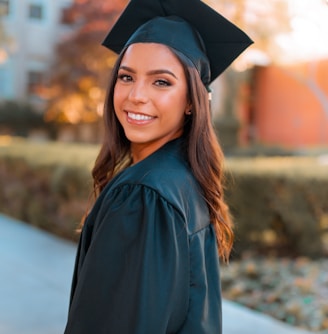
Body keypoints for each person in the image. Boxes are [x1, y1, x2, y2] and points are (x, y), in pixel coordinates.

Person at [64, 0, 252, 333]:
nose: (136, 95)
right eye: (126, 77)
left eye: (161, 82)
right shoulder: (184, 180)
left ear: (193, 101)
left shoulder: (142, 196)